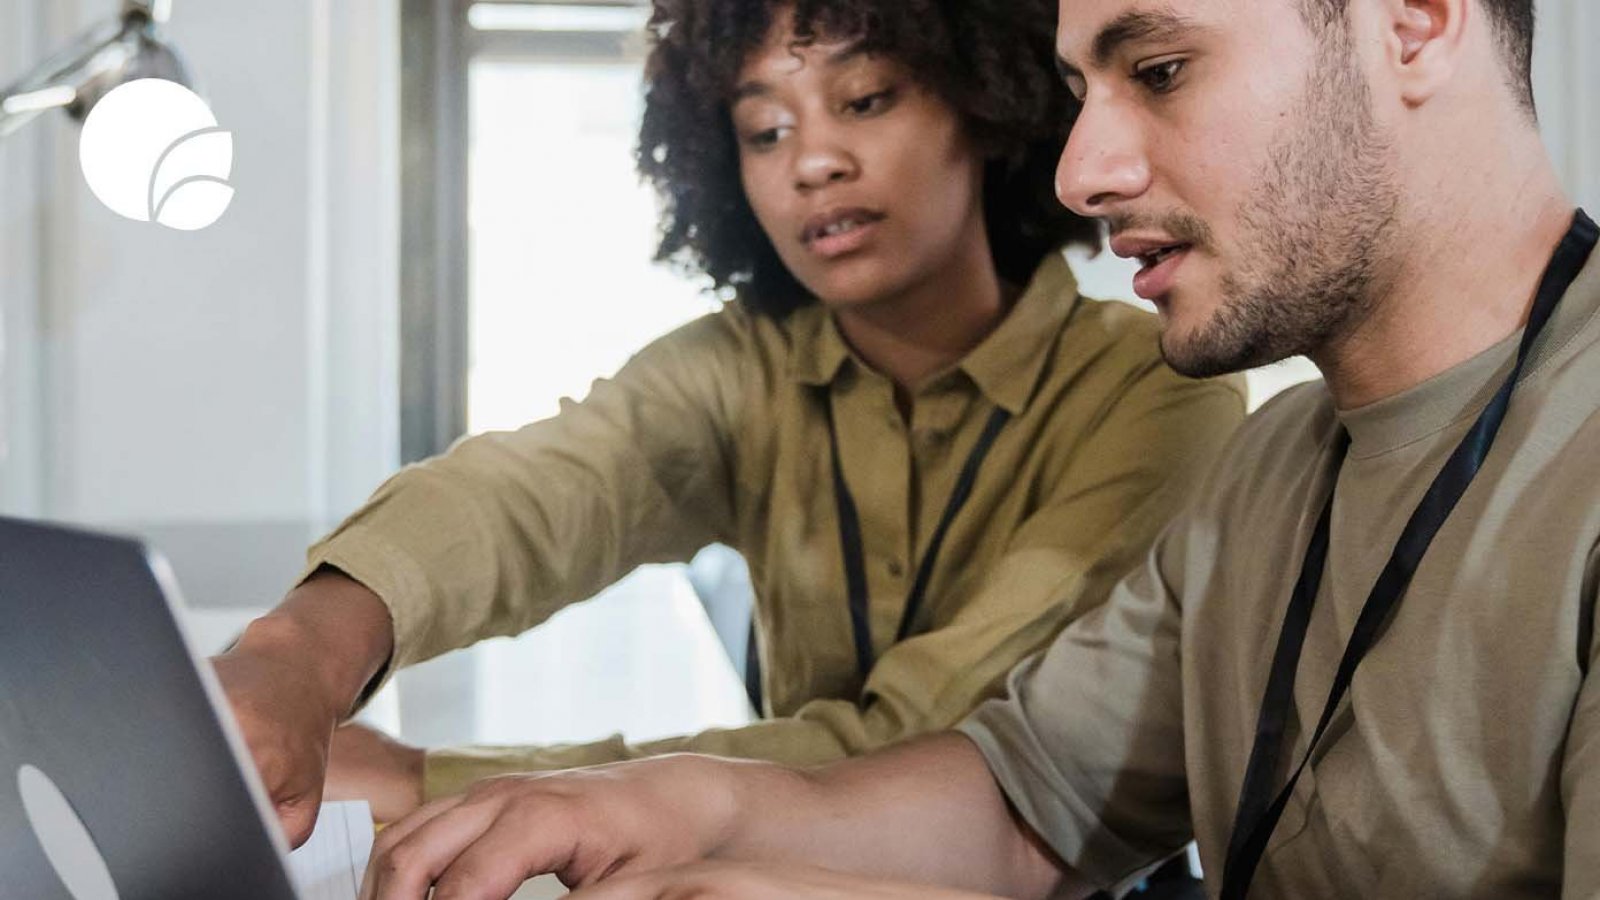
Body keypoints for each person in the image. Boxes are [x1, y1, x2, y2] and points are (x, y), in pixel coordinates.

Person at [342, 0, 1600, 897]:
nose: (1081, 170)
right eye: (1076, 96)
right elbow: (1016, 803)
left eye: (1158, 68)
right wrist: (644, 808)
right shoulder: (1268, 472)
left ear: (1418, 21)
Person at [213, 0, 1246, 847]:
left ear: (984, 106)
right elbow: (537, 494)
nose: (812, 162)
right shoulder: (741, 368)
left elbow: (932, 748)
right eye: (765, 130)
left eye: (866, 98)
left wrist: (429, 778)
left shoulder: (1155, 389)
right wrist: (298, 651)